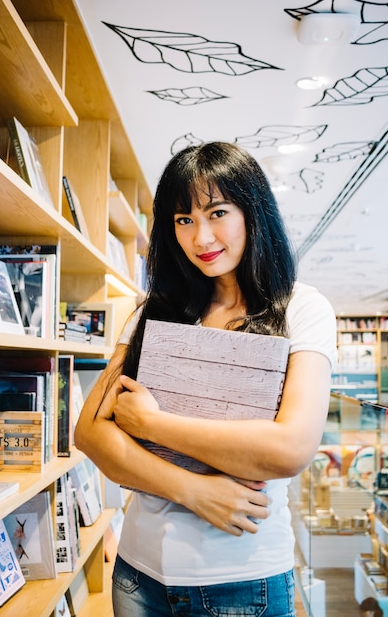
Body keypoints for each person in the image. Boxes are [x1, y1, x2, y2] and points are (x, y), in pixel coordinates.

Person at [75, 141, 337, 617]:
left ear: (252, 211)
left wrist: (153, 425)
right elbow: (91, 432)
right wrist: (193, 490)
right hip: (140, 573)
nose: (201, 238)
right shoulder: (154, 312)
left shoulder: (301, 309)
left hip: (243, 578)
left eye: (217, 212)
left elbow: (290, 449)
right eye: (183, 220)